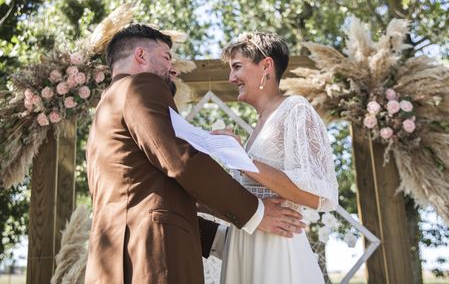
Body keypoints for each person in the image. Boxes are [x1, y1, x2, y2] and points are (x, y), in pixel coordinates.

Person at [84, 24, 306, 284]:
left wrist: (222, 239)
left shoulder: (104, 110)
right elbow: (181, 162)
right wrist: (256, 213)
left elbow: (149, 192)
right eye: (166, 57)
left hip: (114, 259)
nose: (173, 69)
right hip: (151, 256)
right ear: (141, 56)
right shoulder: (141, 86)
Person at [213, 32, 338, 284]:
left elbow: (319, 196)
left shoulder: (295, 109)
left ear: (266, 66)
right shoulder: (258, 126)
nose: (231, 78)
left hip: (276, 251)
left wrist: (241, 160)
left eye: (237, 67)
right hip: (245, 244)